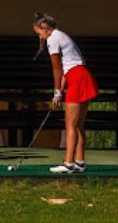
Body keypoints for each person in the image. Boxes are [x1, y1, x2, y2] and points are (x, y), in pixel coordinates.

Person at [32, 12, 99, 173]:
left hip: (77, 78)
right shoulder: (60, 35)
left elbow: (57, 69)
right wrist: (59, 92)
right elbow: (65, 70)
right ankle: (80, 162)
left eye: (39, 33)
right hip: (82, 76)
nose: (40, 37)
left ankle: (68, 163)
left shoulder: (53, 38)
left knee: (70, 123)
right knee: (78, 125)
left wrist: (56, 92)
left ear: (44, 27)